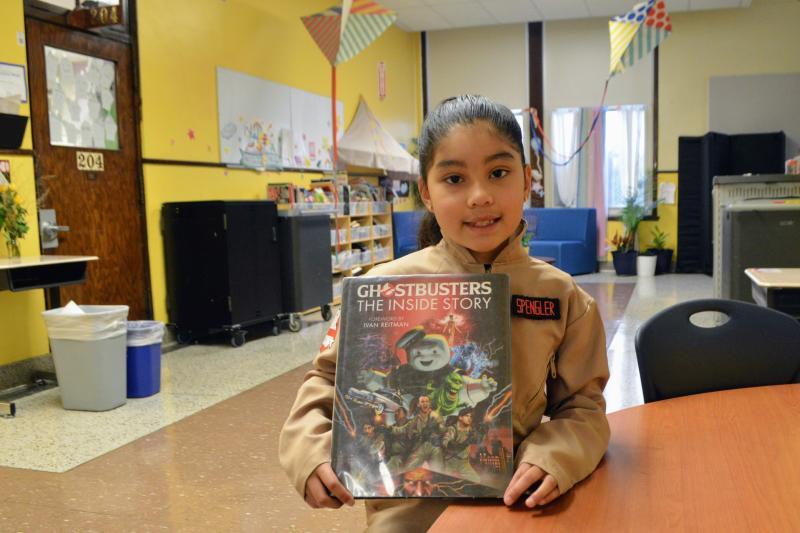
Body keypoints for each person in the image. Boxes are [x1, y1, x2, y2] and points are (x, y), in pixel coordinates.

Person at [279, 94, 610, 532]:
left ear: (527, 181)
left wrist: (554, 456)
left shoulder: (562, 296)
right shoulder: (382, 288)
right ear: (427, 193)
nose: (479, 196)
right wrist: (311, 452)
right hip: (407, 514)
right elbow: (325, 382)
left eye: (498, 173)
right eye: (454, 178)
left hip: (519, 505)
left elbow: (584, 408)